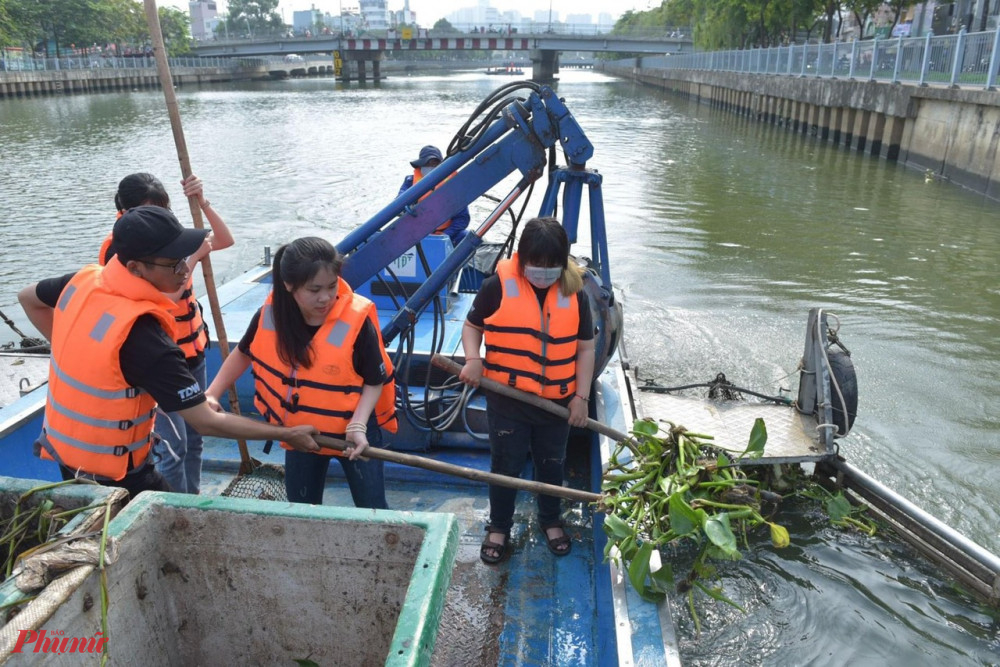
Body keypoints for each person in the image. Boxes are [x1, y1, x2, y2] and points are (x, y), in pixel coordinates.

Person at [17, 206, 319, 499]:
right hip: (119, 478)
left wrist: (77, 350)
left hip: (68, 456)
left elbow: (28, 297)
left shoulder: (84, 281)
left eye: (184, 258)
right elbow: (204, 421)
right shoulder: (143, 338)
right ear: (135, 267)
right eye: (173, 263)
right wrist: (287, 435)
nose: (184, 269)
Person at [205, 237, 397, 508]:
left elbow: (375, 381)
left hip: (354, 431)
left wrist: (358, 425)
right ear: (289, 286)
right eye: (314, 289)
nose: (325, 297)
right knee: (301, 507)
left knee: (372, 505)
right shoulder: (271, 315)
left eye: (332, 287)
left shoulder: (355, 322)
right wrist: (213, 393)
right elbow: (243, 353)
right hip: (301, 434)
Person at [458, 217, 596, 564]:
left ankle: (550, 519)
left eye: (553, 266)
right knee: (506, 464)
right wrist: (473, 359)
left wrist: (581, 398)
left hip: (557, 404)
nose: (544, 272)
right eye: (537, 264)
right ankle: (499, 526)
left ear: (564, 262)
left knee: (553, 463)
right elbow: (472, 326)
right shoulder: (497, 286)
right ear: (521, 258)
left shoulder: (574, 291)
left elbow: (585, 349)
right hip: (508, 399)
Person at [99, 172, 235, 495]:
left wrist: (202, 201)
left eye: (163, 208)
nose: (159, 216)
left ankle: (194, 500)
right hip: (161, 363)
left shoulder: (169, 236)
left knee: (196, 437)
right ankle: (178, 514)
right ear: (128, 212)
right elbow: (158, 300)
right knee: (174, 447)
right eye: (150, 210)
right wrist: (193, 258)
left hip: (194, 351)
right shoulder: (120, 251)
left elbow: (224, 239)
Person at [397, 145, 471, 246]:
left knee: (465, 236)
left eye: (435, 164)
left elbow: (462, 219)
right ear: (420, 165)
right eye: (428, 164)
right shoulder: (410, 182)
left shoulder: (452, 186)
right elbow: (398, 202)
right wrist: (406, 207)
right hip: (416, 235)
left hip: (446, 234)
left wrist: (445, 236)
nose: (431, 167)